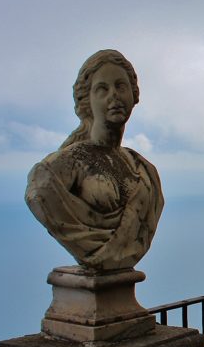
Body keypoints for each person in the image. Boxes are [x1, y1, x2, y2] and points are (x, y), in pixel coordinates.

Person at [25, 49, 164, 270]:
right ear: (87, 99)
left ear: (133, 95)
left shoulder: (144, 169)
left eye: (121, 86)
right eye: (102, 89)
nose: (114, 96)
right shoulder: (70, 161)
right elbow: (39, 193)